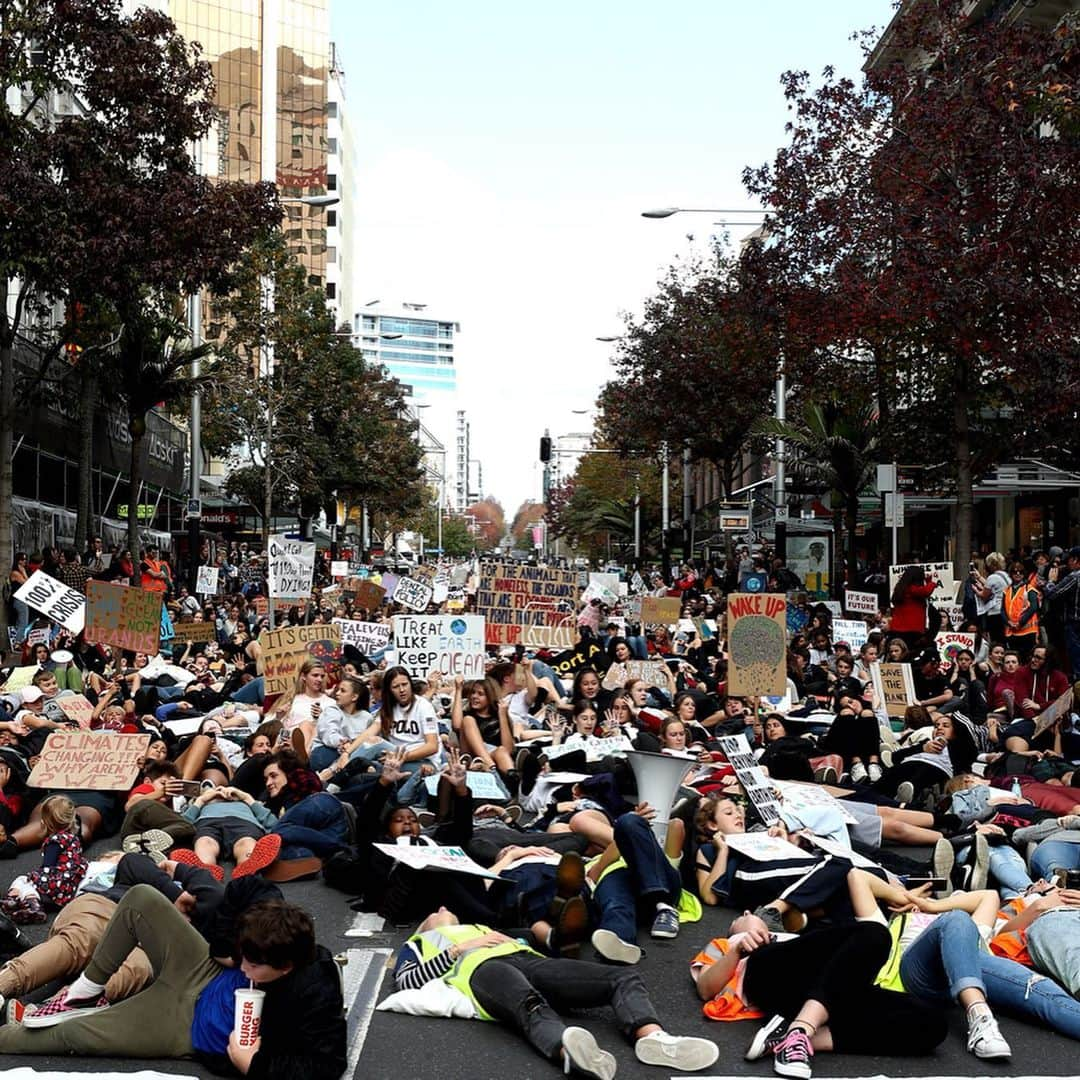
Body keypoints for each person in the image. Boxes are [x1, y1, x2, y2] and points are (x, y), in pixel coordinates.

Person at [0, 887, 347, 1080]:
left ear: (285, 967)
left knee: (72, 1035)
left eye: (253, 965)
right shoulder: (270, 929)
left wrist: (252, 1064)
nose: (244, 968)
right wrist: (226, 948)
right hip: (202, 972)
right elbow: (246, 887)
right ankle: (84, 991)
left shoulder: (315, 989)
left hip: (184, 1027)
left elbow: (327, 1066)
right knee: (141, 899)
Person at [388, 906, 718, 1077]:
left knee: (622, 977)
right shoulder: (420, 943)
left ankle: (653, 1038)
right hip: (482, 970)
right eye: (435, 913)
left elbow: (542, 937)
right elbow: (408, 981)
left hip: (528, 961)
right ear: (425, 926)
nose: (443, 910)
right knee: (530, 1004)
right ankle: (570, 1053)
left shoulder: (481, 927)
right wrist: (460, 950)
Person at [0, 796, 86, 924]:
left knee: (23, 880)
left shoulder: (54, 842)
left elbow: (48, 868)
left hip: (57, 888)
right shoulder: (74, 839)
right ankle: (18, 900)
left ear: (45, 822)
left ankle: (30, 904)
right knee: (29, 881)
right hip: (70, 885)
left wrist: (34, 878)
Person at [1044, 546, 1080, 677]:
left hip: (1075, 623)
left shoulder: (1075, 576)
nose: (1068, 563)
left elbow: (1052, 594)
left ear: (1076, 560)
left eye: (1069, 560)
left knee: (1076, 661)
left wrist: (1050, 582)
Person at [889, 567, 936, 651]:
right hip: (912, 630)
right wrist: (931, 582)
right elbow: (926, 591)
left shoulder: (900, 589)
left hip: (897, 629)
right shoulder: (912, 589)